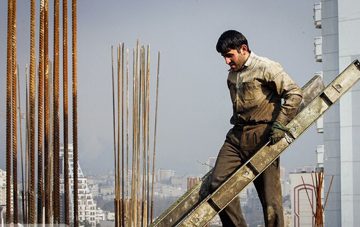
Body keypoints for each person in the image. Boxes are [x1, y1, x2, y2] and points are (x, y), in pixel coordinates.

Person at [209, 30, 303, 226]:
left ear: (243, 49)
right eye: (223, 57)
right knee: (218, 184)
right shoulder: (232, 75)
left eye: (229, 55)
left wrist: (280, 124)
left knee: (271, 200)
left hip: (264, 137)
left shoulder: (266, 67)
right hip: (237, 137)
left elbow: (294, 93)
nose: (226, 61)